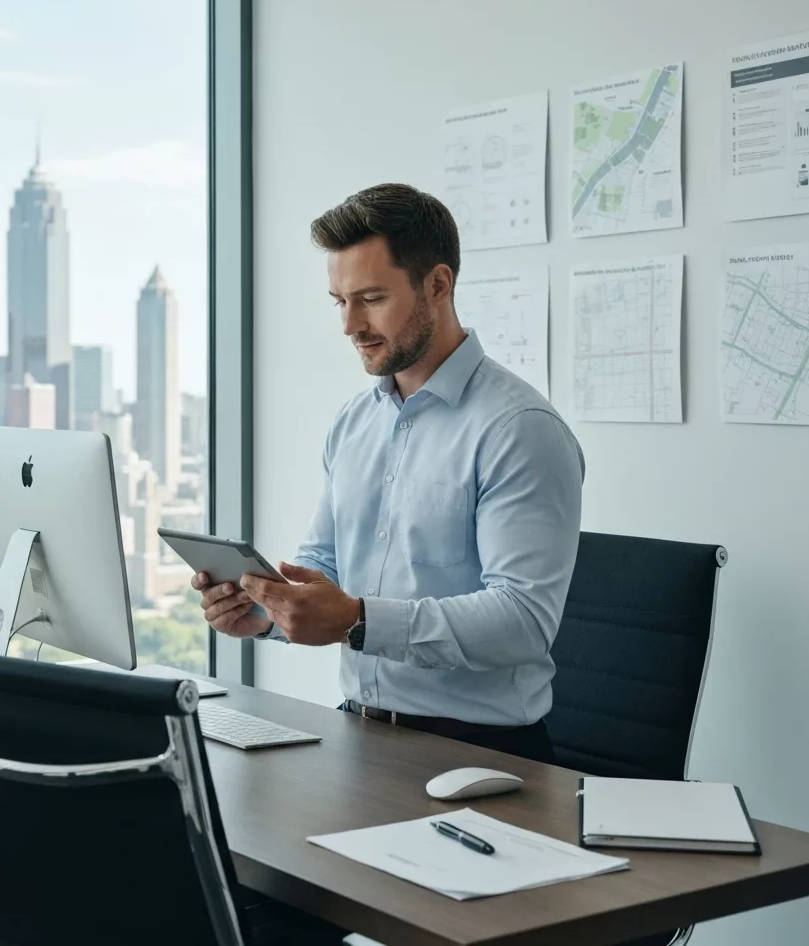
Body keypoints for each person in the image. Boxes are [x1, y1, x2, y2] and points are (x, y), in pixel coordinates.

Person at [195, 182, 584, 765]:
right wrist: (263, 609)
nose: (350, 325)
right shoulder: (354, 422)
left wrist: (358, 619)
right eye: (339, 301)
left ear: (438, 285)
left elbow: (523, 620)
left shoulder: (518, 429)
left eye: (371, 298)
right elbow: (323, 568)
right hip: (360, 739)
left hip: (488, 760)